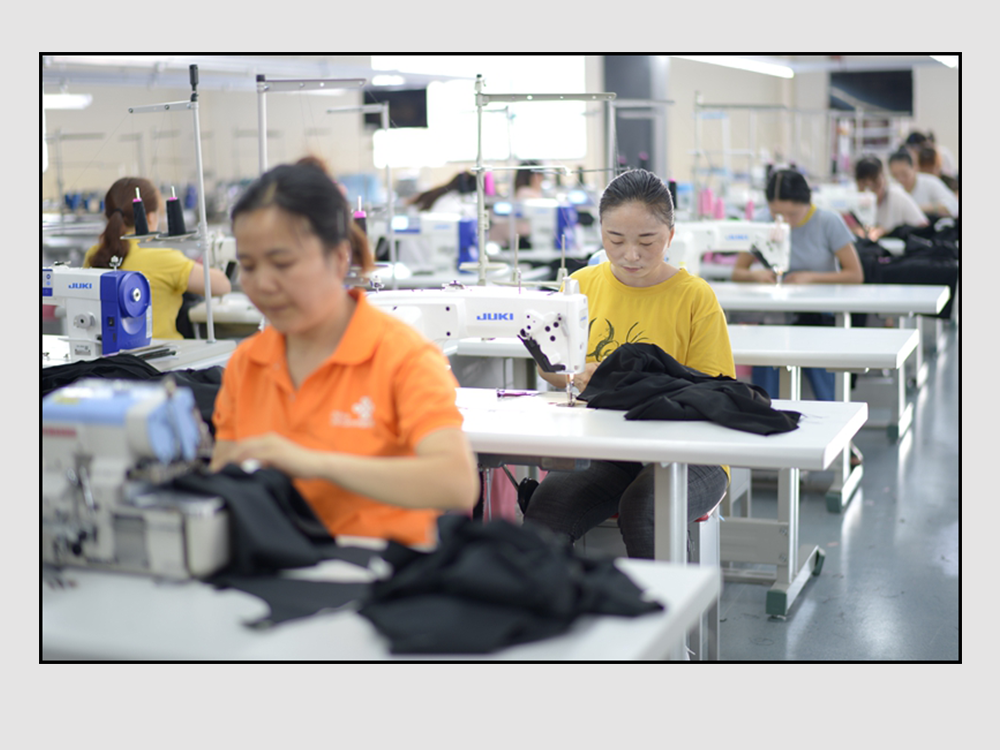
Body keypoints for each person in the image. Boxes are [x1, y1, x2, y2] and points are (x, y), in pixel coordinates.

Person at [209, 160, 479, 546]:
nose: (262, 283)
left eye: (282, 263)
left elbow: (456, 484)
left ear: (339, 258)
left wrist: (315, 463)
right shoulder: (247, 362)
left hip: (380, 566)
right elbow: (225, 479)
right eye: (248, 267)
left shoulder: (402, 356)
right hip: (275, 560)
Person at [522, 169, 732, 559]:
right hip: (608, 449)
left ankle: (669, 601)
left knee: (646, 511)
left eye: (647, 241)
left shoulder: (695, 298)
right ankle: (557, 598)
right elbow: (549, 365)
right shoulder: (580, 285)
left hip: (693, 454)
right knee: (545, 510)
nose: (630, 254)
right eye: (615, 240)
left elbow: (712, 390)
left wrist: (615, 383)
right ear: (600, 232)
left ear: (670, 235)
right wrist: (573, 375)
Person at [732, 169, 864, 402]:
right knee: (765, 371)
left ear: (807, 203)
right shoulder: (762, 223)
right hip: (775, 316)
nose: (784, 221)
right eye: (776, 213)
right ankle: (765, 413)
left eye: (792, 214)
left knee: (824, 381)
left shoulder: (828, 222)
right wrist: (757, 275)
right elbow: (738, 272)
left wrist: (811, 277)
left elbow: (855, 274)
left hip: (818, 316)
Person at [84, 177, 231, 339]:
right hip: (161, 351)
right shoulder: (162, 257)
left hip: (110, 352)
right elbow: (222, 286)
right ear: (150, 217)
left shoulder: (93, 254)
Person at [854, 155, 929, 240]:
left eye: (875, 183)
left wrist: (890, 232)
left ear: (883, 179)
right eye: (864, 184)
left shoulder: (897, 196)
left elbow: (923, 227)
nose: (870, 190)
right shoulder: (855, 201)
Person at [888, 149, 959, 219]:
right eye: (895, 176)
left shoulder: (930, 182)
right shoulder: (892, 189)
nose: (900, 179)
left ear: (914, 167)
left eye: (904, 174)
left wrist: (919, 209)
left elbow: (953, 205)